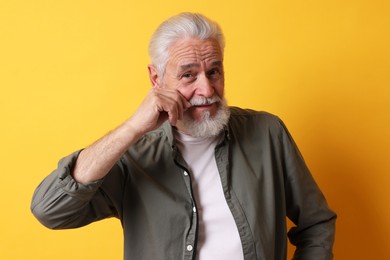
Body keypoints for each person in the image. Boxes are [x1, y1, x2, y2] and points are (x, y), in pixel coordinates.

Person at [31, 12, 336, 260]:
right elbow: (50, 210)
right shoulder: (133, 156)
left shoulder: (267, 133)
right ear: (156, 79)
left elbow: (316, 223)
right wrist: (132, 128)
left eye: (214, 71)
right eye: (188, 75)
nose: (206, 90)